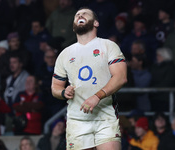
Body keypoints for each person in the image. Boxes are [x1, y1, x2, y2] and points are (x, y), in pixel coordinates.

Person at [51, 7, 127, 150]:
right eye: (77, 15)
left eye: (85, 13)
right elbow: (55, 86)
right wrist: (63, 92)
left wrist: (97, 96)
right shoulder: (65, 54)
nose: (80, 15)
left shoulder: (108, 45)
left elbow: (121, 77)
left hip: (105, 117)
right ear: (74, 26)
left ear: (96, 23)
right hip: (77, 120)